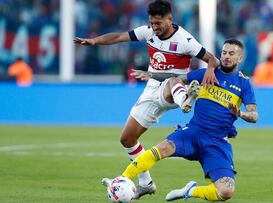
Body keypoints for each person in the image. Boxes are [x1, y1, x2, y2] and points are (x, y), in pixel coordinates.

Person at [74, 0, 219, 198]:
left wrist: (210, 70)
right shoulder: (148, 32)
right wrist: (94, 41)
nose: (155, 27)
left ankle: (186, 99)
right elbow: (119, 36)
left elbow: (213, 59)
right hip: (151, 89)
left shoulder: (185, 39)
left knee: (172, 79)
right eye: (152, 23)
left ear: (170, 19)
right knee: (127, 139)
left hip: (173, 88)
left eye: (158, 23)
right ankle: (146, 183)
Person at [103, 39, 258, 201]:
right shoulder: (208, 73)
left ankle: (189, 191)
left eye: (231, 53)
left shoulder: (244, 84)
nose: (226, 56)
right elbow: (176, 77)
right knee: (160, 149)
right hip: (193, 132)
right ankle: (122, 179)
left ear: (240, 58)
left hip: (217, 142)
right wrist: (151, 75)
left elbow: (254, 115)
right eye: (224, 52)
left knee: (226, 191)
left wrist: (240, 113)